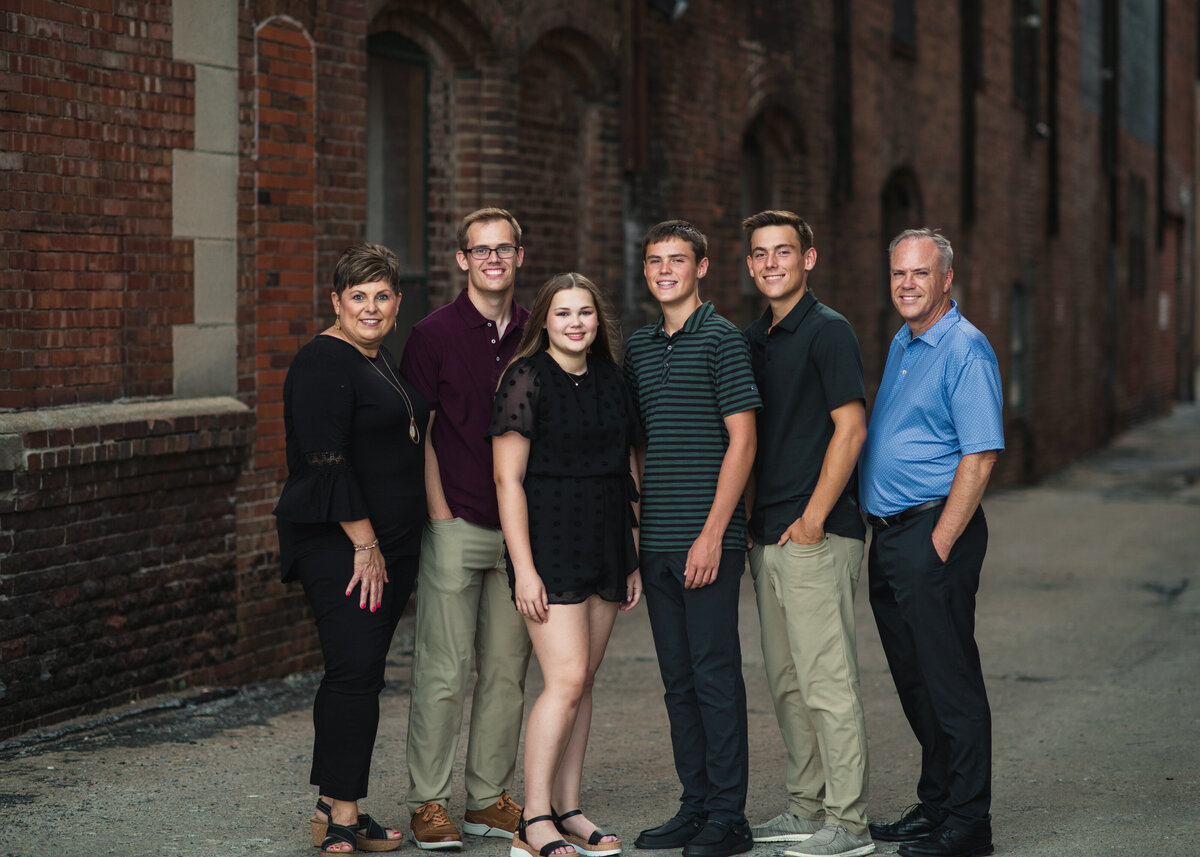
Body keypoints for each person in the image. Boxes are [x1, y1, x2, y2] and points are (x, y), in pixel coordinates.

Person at [273, 242, 427, 854]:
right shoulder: (322, 361)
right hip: (344, 546)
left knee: (361, 674)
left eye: (382, 296)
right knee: (354, 674)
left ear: (397, 302)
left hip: (386, 544)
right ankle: (341, 816)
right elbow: (324, 460)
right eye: (357, 296)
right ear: (336, 301)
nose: (371, 307)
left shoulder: (377, 358)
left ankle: (335, 800)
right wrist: (365, 544)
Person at [860, 229, 1003, 857]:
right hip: (891, 535)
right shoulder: (903, 341)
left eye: (920, 273)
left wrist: (938, 543)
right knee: (915, 681)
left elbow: (980, 453)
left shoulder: (965, 348)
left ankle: (969, 825)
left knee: (950, 683)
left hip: (932, 534)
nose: (907, 284)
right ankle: (939, 802)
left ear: (946, 278)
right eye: (898, 274)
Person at [492, 272, 644, 857]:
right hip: (549, 541)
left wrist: (629, 555)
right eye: (563, 313)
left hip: (606, 539)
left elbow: (627, 470)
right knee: (566, 679)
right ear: (545, 323)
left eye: (585, 313)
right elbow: (508, 481)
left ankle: (570, 807)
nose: (576, 322)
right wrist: (524, 569)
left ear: (597, 321)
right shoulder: (526, 378)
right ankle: (534, 820)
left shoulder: (612, 378)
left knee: (584, 682)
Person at [623, 221, 761, 857]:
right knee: (677, 680)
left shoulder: (724, 340)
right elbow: (639, 448)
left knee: (714, 676)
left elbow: (743, 440)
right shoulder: (641, 347)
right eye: (655, 261)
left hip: (709, 542)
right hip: (656, 542)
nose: (665, 271)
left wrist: (712, 535)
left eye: (677, 260)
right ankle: (696, 804)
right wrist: (636, 535)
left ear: (701, 267)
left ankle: (729, 817)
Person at [741, 212, 875, 857]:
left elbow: (850, 430)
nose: (772, 263)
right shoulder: (755, 338)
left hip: (816, 533)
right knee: (788, 681)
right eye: (761, 253)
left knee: (827, 683)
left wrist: (814, 518)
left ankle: (848, 824)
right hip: (768, 535)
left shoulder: (828, 332)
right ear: (749, 265)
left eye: (784, 251)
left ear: (808, 259)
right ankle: (806, 806)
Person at [399, 208, 534, 850]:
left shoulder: (539, 331)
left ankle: (486, 798)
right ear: (462, 260)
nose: (492, 260)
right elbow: (418, 431)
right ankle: (430, 801)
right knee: (443, 671)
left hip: (521, 533)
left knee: (506, 671)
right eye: (480, 250)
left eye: (502, 249)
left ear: (518, 256)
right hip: (454, 522)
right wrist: (439, 513)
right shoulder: (432, 333)